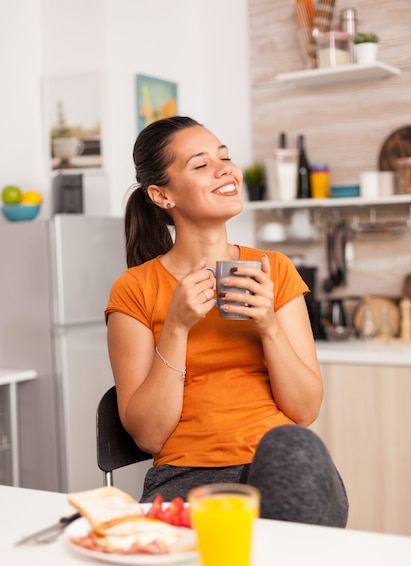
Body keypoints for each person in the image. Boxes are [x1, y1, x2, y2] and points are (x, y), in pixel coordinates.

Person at [105, 115, 348, 527]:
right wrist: (178, 328)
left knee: (294, 445)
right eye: (200, 165)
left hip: (280, 465)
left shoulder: (275, 269)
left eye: (225, 157)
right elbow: (148, 436)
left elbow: (305, 410)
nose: (225, 170)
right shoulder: (136, 289)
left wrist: (269, 325)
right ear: (162, 195)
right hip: (186, 476)